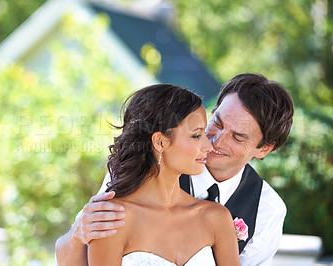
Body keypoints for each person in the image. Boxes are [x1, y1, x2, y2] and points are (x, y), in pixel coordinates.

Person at [55, 73, 294, 266]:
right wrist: (77, 233)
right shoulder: (127, 182)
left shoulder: (266, 210)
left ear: (264, 149)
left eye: (238, 137)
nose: (214, 142)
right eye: (217, 123)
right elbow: (76, 254)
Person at [89, 84, 239, 265]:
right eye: (196, 135)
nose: (209, 146)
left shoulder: (216, 217)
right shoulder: (113, 219)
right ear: (159, 142)